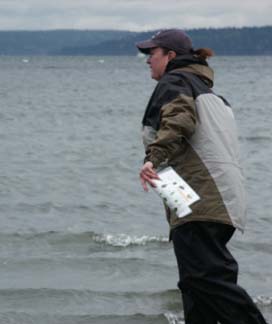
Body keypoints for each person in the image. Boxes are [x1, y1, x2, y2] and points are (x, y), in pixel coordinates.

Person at [136, 29, 268, 324]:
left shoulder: (177, 81)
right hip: (213, 197)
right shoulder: (209, 92)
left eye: (151, 54)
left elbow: (179, 120)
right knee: (197, 287)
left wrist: (151, 159)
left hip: (199, 197)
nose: (146, 61)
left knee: (204, 280)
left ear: (170, 56)